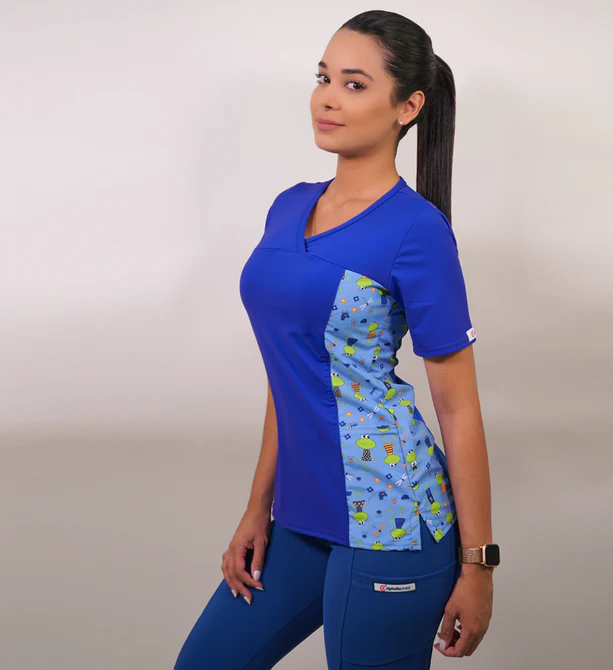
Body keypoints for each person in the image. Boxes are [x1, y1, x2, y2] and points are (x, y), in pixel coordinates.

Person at [174, 9, 498, 670]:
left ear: (408, 107)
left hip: (390, 520)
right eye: (323, 77)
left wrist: (478, 564)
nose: (326, 97)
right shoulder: (288, 206)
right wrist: (257, 507)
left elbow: (458, 407)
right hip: (300, 516)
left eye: (354, 84)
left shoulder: (418, 231)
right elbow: (290, 370)